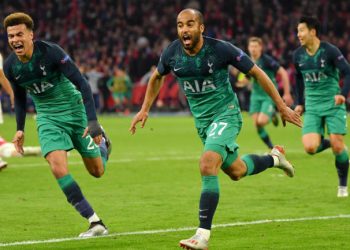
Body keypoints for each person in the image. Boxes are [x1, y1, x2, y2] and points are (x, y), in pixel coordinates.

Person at [130, 8, 301, 250]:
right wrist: (145, 108)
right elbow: (157, 76)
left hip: (227, 114)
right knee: (237, 171)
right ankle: (275, 159)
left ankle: (202, 236)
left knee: (207, 163)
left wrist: (282, 106)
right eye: (180, 25)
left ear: (201, 28)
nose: (184, 30)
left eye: (190, 24)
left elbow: (257, 72)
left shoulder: (221, 49)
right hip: (203, 123)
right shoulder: (172, 53)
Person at [3, 12, 112, 237]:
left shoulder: (51, 53)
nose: (15, 40)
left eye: (19, 34)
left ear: (31, 35)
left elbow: (82, 84)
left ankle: (104, 145)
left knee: (97, 171)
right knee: (57, 167)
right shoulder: (11, 66)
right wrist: (20, 128)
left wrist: (92, 122)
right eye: (11, 36)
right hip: (47, 118)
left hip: (74, 112)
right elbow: (21, 98)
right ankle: (95, 222)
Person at [293, 16, 350, 198]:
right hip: (313, 106)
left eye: (301, 30)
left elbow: (348, 72)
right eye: (297, 31)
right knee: (310, 148)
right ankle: (332, 142)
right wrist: (299, 103)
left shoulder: (330, 51)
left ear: (313, 31)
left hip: (333, 104)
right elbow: (299, 79)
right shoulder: (298, 55)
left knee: (338, 148)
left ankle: (342, 186)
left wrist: (343, 93)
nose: (298, 34)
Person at [237, 37, 294, 149]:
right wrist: (242, 82)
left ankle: (272, 113)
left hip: (268, 96)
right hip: (255, 96)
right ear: (248, 48)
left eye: (256, 46)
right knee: (257, 124)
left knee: (261, 121)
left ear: (260, 48)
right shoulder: (248, 61)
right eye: (251, 46)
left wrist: (287, 93)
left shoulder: (267, 60)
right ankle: (271, 147)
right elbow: (248, 77)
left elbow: (283, 72)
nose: (253, 49)